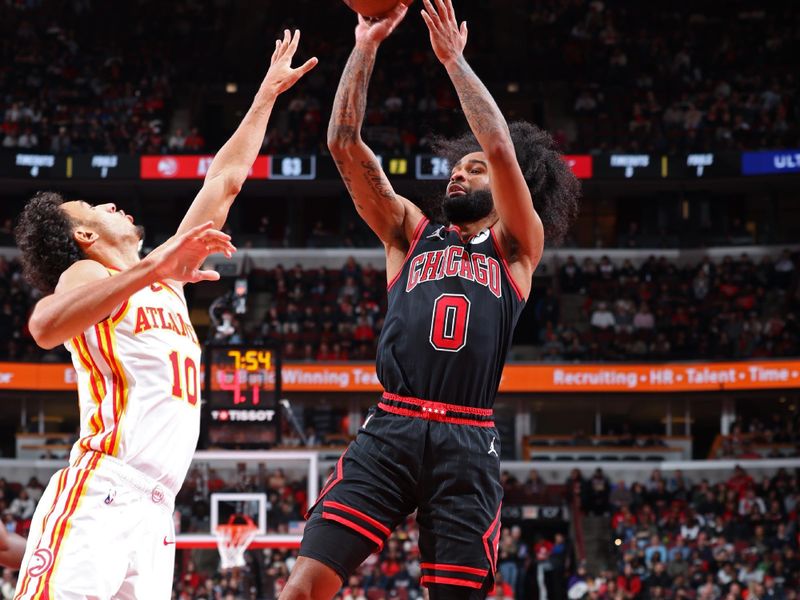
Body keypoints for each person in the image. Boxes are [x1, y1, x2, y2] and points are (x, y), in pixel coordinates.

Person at [280, 1, 579, 598]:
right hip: (390, 426)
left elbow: (497, 145)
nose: (457, 176)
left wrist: (453, 61)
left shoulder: (518, 247)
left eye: (472, 169)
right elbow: (344, 143)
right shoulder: (409, 233)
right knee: (303, 587)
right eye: (455, 168)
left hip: (467, 442)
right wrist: (365, 46)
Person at [12, 30, 316, 598]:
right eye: (96, 207)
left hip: (157, 510)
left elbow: (225, 180)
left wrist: (265, 96)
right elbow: (44, 327)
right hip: (102, 489)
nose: (113, 203)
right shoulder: (92, 274)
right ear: (84, 234)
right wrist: (154, 270)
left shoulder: (164, 274)